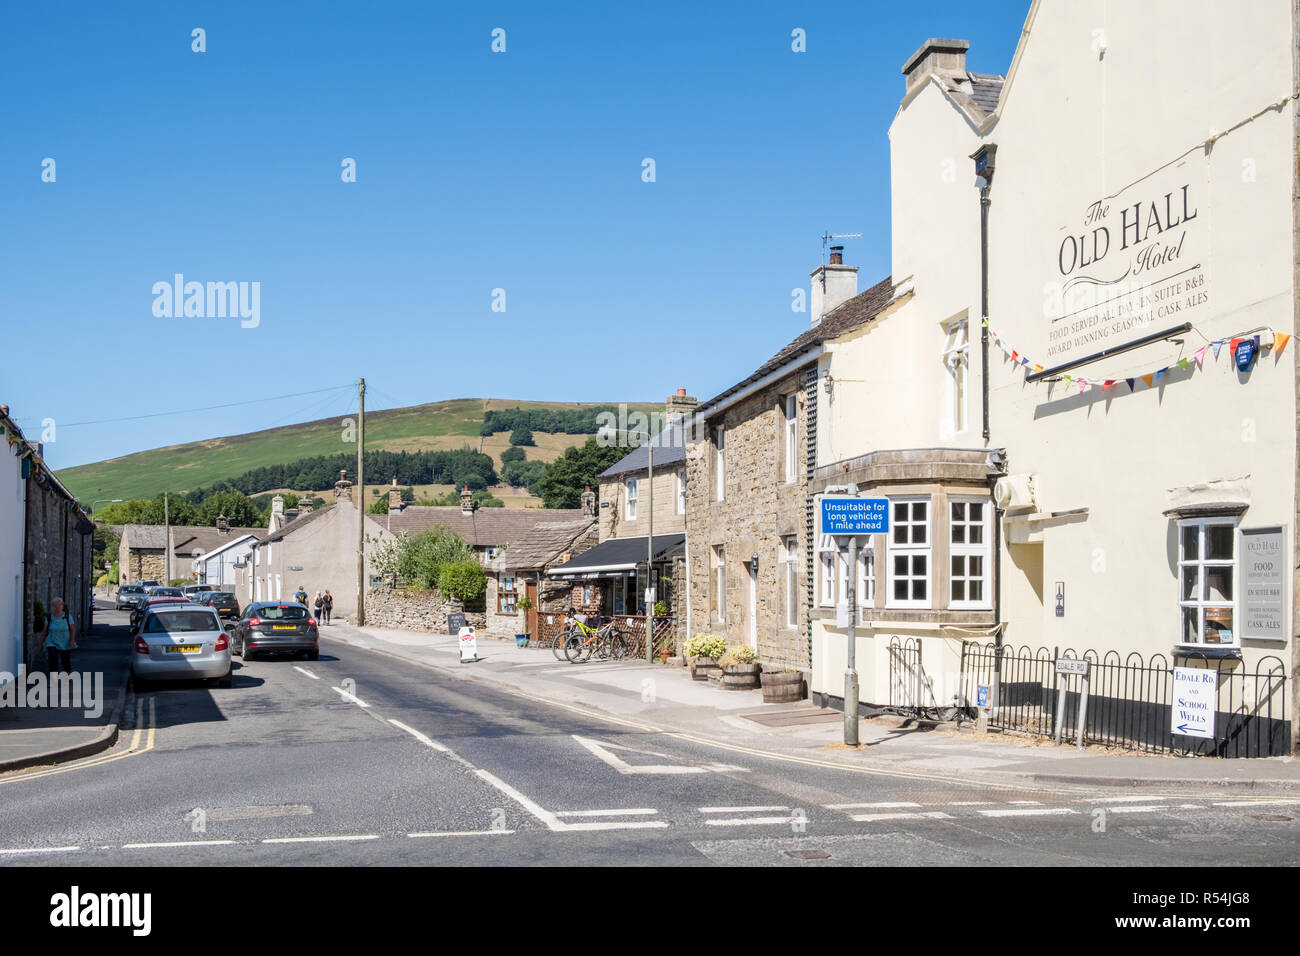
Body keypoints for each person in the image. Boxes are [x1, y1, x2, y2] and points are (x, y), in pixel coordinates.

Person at [40, 597, 76, 676]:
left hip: (65, 641)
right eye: (55, 605)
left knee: (65, 660)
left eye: (59, 605)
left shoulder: (67, 616)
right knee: (52, 660)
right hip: (52, 641)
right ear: (52, 607)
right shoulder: (49, 617)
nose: (57, 607)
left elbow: (72, 629)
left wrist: (72, 640)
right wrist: (41, 644)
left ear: (62, 606)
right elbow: (44, 631)